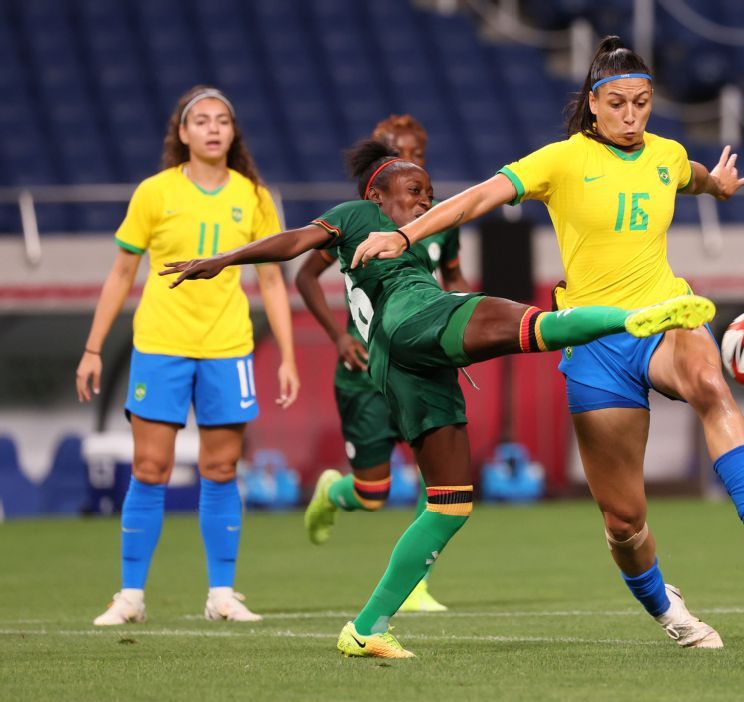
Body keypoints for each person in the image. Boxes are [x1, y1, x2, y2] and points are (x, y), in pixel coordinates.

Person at [350, 36, 744, 650]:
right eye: (619, 103)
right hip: (595, 342)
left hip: (666, 315)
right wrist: (405, 236)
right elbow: (478, 198)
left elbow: (692, 176)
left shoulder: (666, 155)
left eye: (643, 103)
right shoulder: (561, 161)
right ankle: (671, 614)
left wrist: (719, 187)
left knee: (710, 381)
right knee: (624, 522)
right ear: (593, 105)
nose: (631, 116)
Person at [161, 138, 715, 658]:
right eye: (413, 193)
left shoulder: (420, 239)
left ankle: (366, 630)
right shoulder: (360, 216)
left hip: (404, 362)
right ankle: (635, 320)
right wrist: (227, 259)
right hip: (411, 320)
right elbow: (294, 245)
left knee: (450, 505)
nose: (424, 201)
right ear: (377, 196)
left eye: (428, 194)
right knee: (538, 324)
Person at [76, 85, 300, 626]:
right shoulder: (154, 193)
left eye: (222, 119)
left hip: (228, 348)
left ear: (233, 131)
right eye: (201, 120)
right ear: (182, 133)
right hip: (161, 345)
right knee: (149, 468)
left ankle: (221, 594)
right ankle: (130, 596)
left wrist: (288, 356)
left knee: (221, 468)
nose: (213, 128)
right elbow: (121, 273)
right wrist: (92, 349)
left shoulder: (255, 197)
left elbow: (272, 279)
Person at [295, 116, 464, 614]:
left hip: (420, 358)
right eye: (397, 149)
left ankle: (415, 585)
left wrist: (458, 326)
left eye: (418, 150)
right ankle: (334, 492)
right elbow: (306, 276)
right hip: (367, 367)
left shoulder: (437, 222)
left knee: (437, 474)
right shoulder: (359, 222)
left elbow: (453, 280)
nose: (410, 156)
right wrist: (338, 336)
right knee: (373, 492)